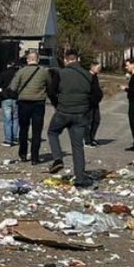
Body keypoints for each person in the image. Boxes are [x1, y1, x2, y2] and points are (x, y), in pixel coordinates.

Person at [46, 51, 94, 187]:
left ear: (66, 60)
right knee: (78, 146)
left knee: (52, 132)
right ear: (78, 60)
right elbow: (97, 95)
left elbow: (51, 91)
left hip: (63, 111)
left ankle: (58, 159)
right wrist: (87, 107)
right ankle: (79, 178)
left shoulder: (60, 74)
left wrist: (57, 104)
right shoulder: (88, 75)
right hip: (81, 114)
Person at [8, 50, 50, 164]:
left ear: (27, 60)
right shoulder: (44, 72)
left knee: (23, 129)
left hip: (23, 103)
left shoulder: (21, 72)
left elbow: (13, 87)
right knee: (37, 131)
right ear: (38, 60)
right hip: (38, 103)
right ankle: (35, 158)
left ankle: (23, 154)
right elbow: (49, 85)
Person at [0, 60, 21, 147]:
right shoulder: (18, 75)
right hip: (16, 98)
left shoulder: (3, 74)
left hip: (6, 98)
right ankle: (14, 138)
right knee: (16, 118)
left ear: (8, 65)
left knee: (7, 119)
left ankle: (8, 140)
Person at [86, 61, 104, 147]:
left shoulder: (95, 76)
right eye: (98, 67)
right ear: (92, 67)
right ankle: (87, 140)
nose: (99, 69)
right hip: (89, 103)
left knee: (96, 120)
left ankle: (92, 138)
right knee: (89, 121)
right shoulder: (88, 77)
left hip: (95, 103)